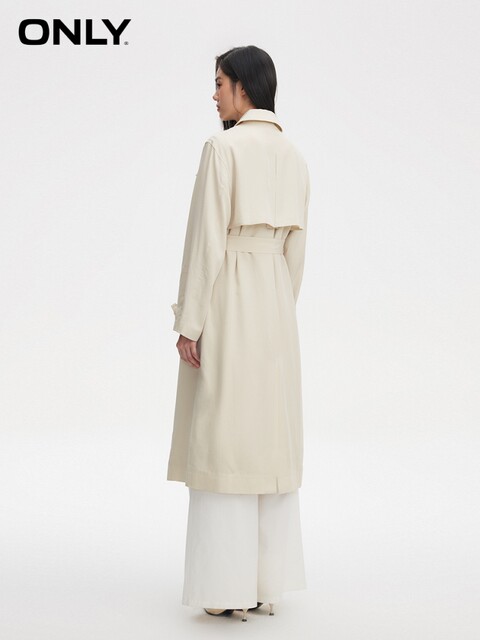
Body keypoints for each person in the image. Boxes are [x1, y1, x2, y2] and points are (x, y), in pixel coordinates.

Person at [167, 45, 310, 622]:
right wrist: (277, 309)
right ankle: (264, 584)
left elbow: (205, 241)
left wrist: (190, 322)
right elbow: (297, 252)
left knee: (222, 440)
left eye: (220, 83)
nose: (214, 94)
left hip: (228, 299)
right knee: (266, 440)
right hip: (275, 306)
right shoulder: (294, 156)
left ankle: (224, 588)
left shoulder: (221, 149)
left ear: (244, 88)